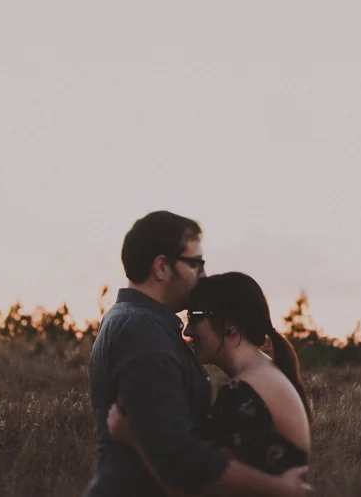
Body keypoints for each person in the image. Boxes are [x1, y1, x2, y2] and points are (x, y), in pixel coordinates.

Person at [84, 211, 312, 497]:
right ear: (162, 267)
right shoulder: (141, 328)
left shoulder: (142, 324)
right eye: (196, 264)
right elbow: (178, 459)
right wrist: (280, 489)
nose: (203, 276)